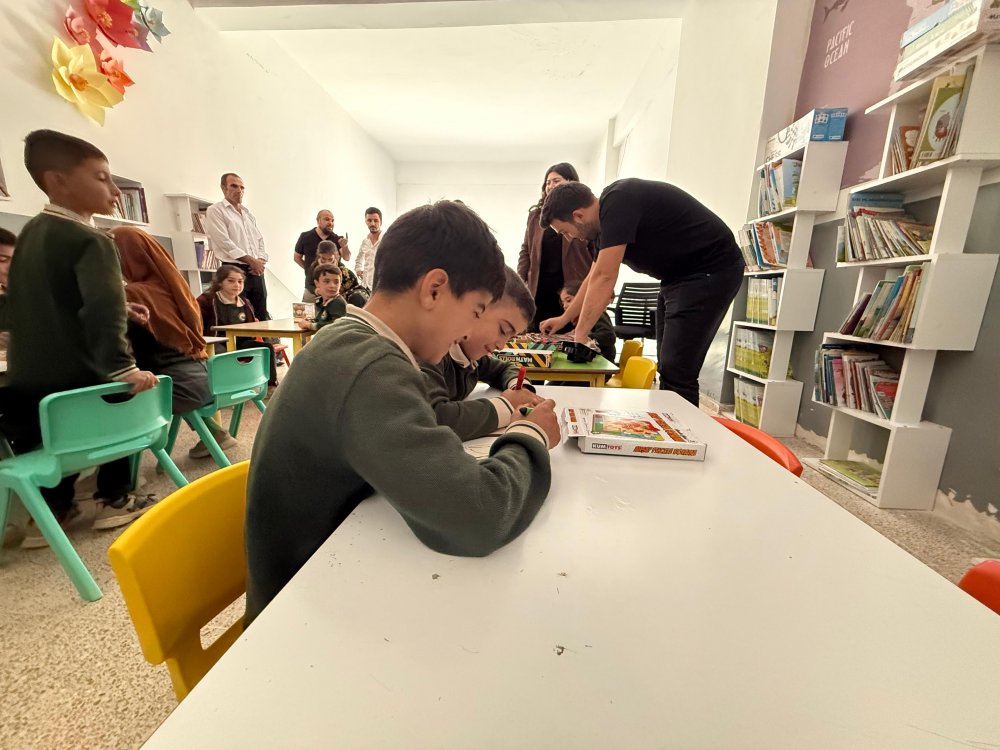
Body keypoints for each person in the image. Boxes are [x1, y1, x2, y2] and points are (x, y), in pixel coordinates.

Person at [244, 200, 561, 626]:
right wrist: (530, 434)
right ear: (435, 289)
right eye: (476, 311)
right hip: (297, 620)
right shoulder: (371, 367)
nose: (468, 331)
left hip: (329, 579)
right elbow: (479, 515)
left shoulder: (349, 339)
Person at [0, 129, 159, 545]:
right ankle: (114, 497)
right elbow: (101, 307)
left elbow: (35, 302)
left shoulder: (31, 235)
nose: (114, 190)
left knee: (55, 438)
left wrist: (123, 306)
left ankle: (53, 511)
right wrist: (123, 367)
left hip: (30, 383)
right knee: (127, 397)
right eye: (102, 178)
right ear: (58, 181)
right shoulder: (92, 239)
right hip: (83, 376)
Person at [539, 179, 744, 406]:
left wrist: (580, 336)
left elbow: (606, 277)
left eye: (565, 231)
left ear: (578, 216)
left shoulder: (618, 201)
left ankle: (682, 426)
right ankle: (669, 421)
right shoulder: (601, 230)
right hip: (676, 278)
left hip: (710, 270)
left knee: (678, 369)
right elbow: (593, 278)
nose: (569, 238)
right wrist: (565, 319)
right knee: (668, 366)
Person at [113, 227, 238, 459]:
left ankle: (119, 470)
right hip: (211, 380)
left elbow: (124, 350)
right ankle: (215, 433)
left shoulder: (131, 295)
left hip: (178, 388)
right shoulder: (178, 288)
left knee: (115, 395)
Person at [422, 267, 542, 441]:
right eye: (503, 330)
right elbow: (435, 417)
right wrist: (507, 405)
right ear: (475, 308)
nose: (501, 345)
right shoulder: (432, 353)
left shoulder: (472, 358)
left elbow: (503, 369)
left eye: (510, 337)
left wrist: (521, 389)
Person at [517, 163, 596, 331]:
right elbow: (526, 250)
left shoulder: (582, 214)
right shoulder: (535, 216)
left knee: (571, 331)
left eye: (556, 181)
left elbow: (595, 250)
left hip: (572, 284)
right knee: (539, 331)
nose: (551, 185)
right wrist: (520, 281)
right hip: (540, 285)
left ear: (571, 183)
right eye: (547, 182)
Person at [196, 264, 278, 387]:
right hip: (216, 342)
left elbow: (251, 326)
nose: (237, 285)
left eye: (240, 281)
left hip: (240, 342)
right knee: (224, 354)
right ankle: (229, 386)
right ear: (220, 282)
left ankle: (269, 384)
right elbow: (196, 324)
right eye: (231, 281)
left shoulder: (245, 302)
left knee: (266, 348)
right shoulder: (206, 300)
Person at [205, 173, 271, 320]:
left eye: (242, 187)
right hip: (233, 269)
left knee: (261, 313)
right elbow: (224, 242)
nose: (239, 190)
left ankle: (263, 337)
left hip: (256, 271)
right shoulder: (216, 210)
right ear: (223, 188)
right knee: (237, 315)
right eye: (234, 186)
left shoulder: (248, 214)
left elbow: (259, 240)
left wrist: (260, 261)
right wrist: (251, 261)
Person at [293, 209, 350, 303]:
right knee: (307, 305)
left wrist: (344, 246)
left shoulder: (337, 239)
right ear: (318, 220)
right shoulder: (305, 236)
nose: (330, 223)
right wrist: (309, 269)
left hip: (332, 286)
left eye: (332, 220)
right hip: (312, 284)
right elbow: (296, 257)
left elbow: (347, 258)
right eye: (327, 219)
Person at [558, 281, 617, 363]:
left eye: (568, 300)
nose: (564, 306)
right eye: (562, 303)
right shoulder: (580, 317)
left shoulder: (597, 314)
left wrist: (584, 336)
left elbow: (609, 336)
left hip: (602, 361)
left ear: (583, 298)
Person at [307, 240, 369, 307]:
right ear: (319, 256)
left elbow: (354, 285)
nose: (327, 262)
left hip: (349, 293)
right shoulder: (314, 267)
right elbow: (308, 284)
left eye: (330, 259)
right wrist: (316, 290)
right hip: (324, 294)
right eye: (323, 259)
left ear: (335, 256)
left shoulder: (342, 269)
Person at [297, 263, 347, 332]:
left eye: (336, 282)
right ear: (317, 283)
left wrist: (309, 325)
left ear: (340, 283)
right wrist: (311, 321)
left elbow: (333, 327)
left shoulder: (338, 303)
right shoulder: (323, 301)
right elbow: (322, 320)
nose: (332, 286)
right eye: (326, 281)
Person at [353, 206, 382, 291]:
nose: (372, 223)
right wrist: (358, 270)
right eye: (369, 220)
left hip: (381, 286)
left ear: (380, 222)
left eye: (376, 220)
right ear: (366, 221)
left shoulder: (387, 240)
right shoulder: (365, 241)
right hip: (365, 286)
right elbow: (359, 259)